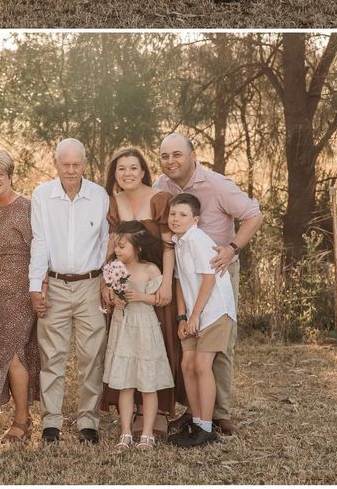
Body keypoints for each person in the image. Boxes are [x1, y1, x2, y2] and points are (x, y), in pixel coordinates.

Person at [153, 133, 263, 435]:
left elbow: (254, 216)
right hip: (185, 274)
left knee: (219, 341)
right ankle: (196, 410)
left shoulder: (217, 184)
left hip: (218, 270)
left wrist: (232, 248)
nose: (171, 161)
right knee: (191, 339)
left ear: (192, 155)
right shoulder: (161, 187)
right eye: (165, 156)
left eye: (177, 154)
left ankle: (220, 413)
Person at [29, 138, 109, 443]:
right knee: (52, 355)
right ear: (56, 164)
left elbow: (105, 242)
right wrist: (37, 286)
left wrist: (105, 282)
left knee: (91, 356)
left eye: (77, 164)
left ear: (85, 164)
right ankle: (51, 422)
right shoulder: (43, 195)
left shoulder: (99, 196)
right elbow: (40, 241)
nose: (71, 170)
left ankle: (89, 421)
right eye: (66, 165)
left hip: (90, 284)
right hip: (56, 284)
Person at [101, 146, 184, 439]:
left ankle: (159, 411)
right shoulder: (113, 203)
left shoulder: (159, 198)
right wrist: (107, 284)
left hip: (155, 279)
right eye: (121, 169)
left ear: (143, 171)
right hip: (125, 283)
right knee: (128, 345)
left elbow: (168, 244)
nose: (127, 174)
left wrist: (166, 284)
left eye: (133, 168)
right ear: (115, 174)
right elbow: (112, 248)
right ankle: (132, 411)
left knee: (158, 344)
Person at [0, 148, 40, 442]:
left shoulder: (25, 208)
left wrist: (39, 289)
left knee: (15, 352)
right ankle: (21, 414)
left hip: (19, 291)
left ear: (11, 176)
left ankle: (22, 421)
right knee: (4, 350)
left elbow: (40, 251)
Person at [167, 193, 237, 448]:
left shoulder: (197, 240)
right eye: (173, 214)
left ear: (195, 220)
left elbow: (209, 279)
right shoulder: (178, 242)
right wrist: (182, 316)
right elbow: (179, 282)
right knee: (187, 364)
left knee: (201, 365)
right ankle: (196, 422)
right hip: (194, 313)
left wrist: (195, 315)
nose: (176, 219)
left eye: (182, 215)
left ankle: (207, 428)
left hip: (215, 311)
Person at [103, 222, 174, 451]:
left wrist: (140, 296)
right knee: (125, 383)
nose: (118, 251)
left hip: (144, 326)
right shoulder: (114, 268)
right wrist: (116, 299)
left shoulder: (150, 269)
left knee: (148, 383)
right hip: (123, 325)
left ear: (138, 247)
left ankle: (146, 433)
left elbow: (161, 300)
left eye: (123, 247)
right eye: (116, 246)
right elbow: (111, 294)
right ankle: (125, 432)